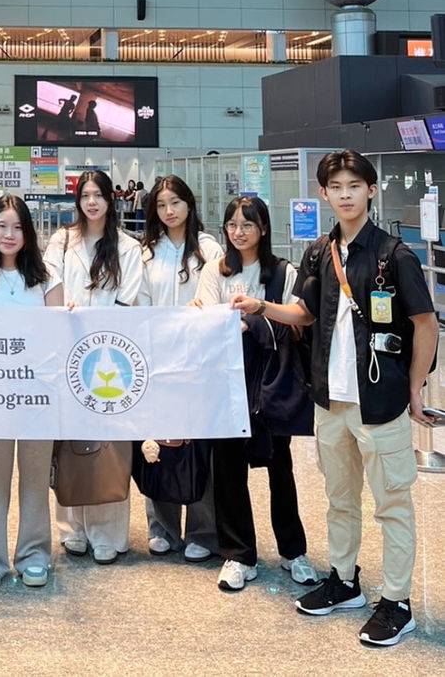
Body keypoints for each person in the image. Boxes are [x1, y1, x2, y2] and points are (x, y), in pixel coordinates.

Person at [232, 150, 437, 647]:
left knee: (392, 504)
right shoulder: (320, 252)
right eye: (336, 187)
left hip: (380, 402)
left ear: (370, 190)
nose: (345, 195)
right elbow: (304, 313)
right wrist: (260, 306)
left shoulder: (395, 255)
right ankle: (344, 581)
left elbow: (426, 324)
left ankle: (397, 602)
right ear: (323, 194)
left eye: (354, 185)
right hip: (330, 401)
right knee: (340, 500)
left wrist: (414, 389)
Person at [194, 196, 317, 593]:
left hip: (270, 382)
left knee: (281, 468)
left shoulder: (282, 272)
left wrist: (255, 318)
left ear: (263, 228)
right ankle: (238, 554)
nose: (239, 232)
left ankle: (293, 551)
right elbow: (205, 320)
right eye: (232, 225)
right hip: (226, 382)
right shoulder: (215, 270)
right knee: (229, 468)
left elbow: (297, 322)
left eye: (247, 224)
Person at [0, 194, 63, 589]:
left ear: (28, 233)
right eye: (2, 226)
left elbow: (57, 337)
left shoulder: (48, 279)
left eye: (18, 227)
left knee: (36, 478)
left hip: (38, 396)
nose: (9, 234)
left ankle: (35, 554)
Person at [43, 170, 142, 564]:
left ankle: (107, 532)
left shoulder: (127, 246)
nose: (91, 202)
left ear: (110, 199)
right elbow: (48, 286)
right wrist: (62, 307)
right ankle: (72, 529)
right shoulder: (62, 240)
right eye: (85, 195)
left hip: (109, 356)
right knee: (68, 441)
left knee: (108, 443)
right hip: (66, 352)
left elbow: (128, 299)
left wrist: (97, 326)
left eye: (98, 195)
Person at [138, 175, 223, 563]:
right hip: (157, 358)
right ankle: (162, 526)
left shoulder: (209, 248)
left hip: (198, 360)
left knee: (199, 445)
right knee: (158, 444)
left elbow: (215, 301)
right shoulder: (147, 251)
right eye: (161, 205)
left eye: (175, 202)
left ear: (189, 204)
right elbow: (139, 303)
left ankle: (203, 531)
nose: (169, 211)